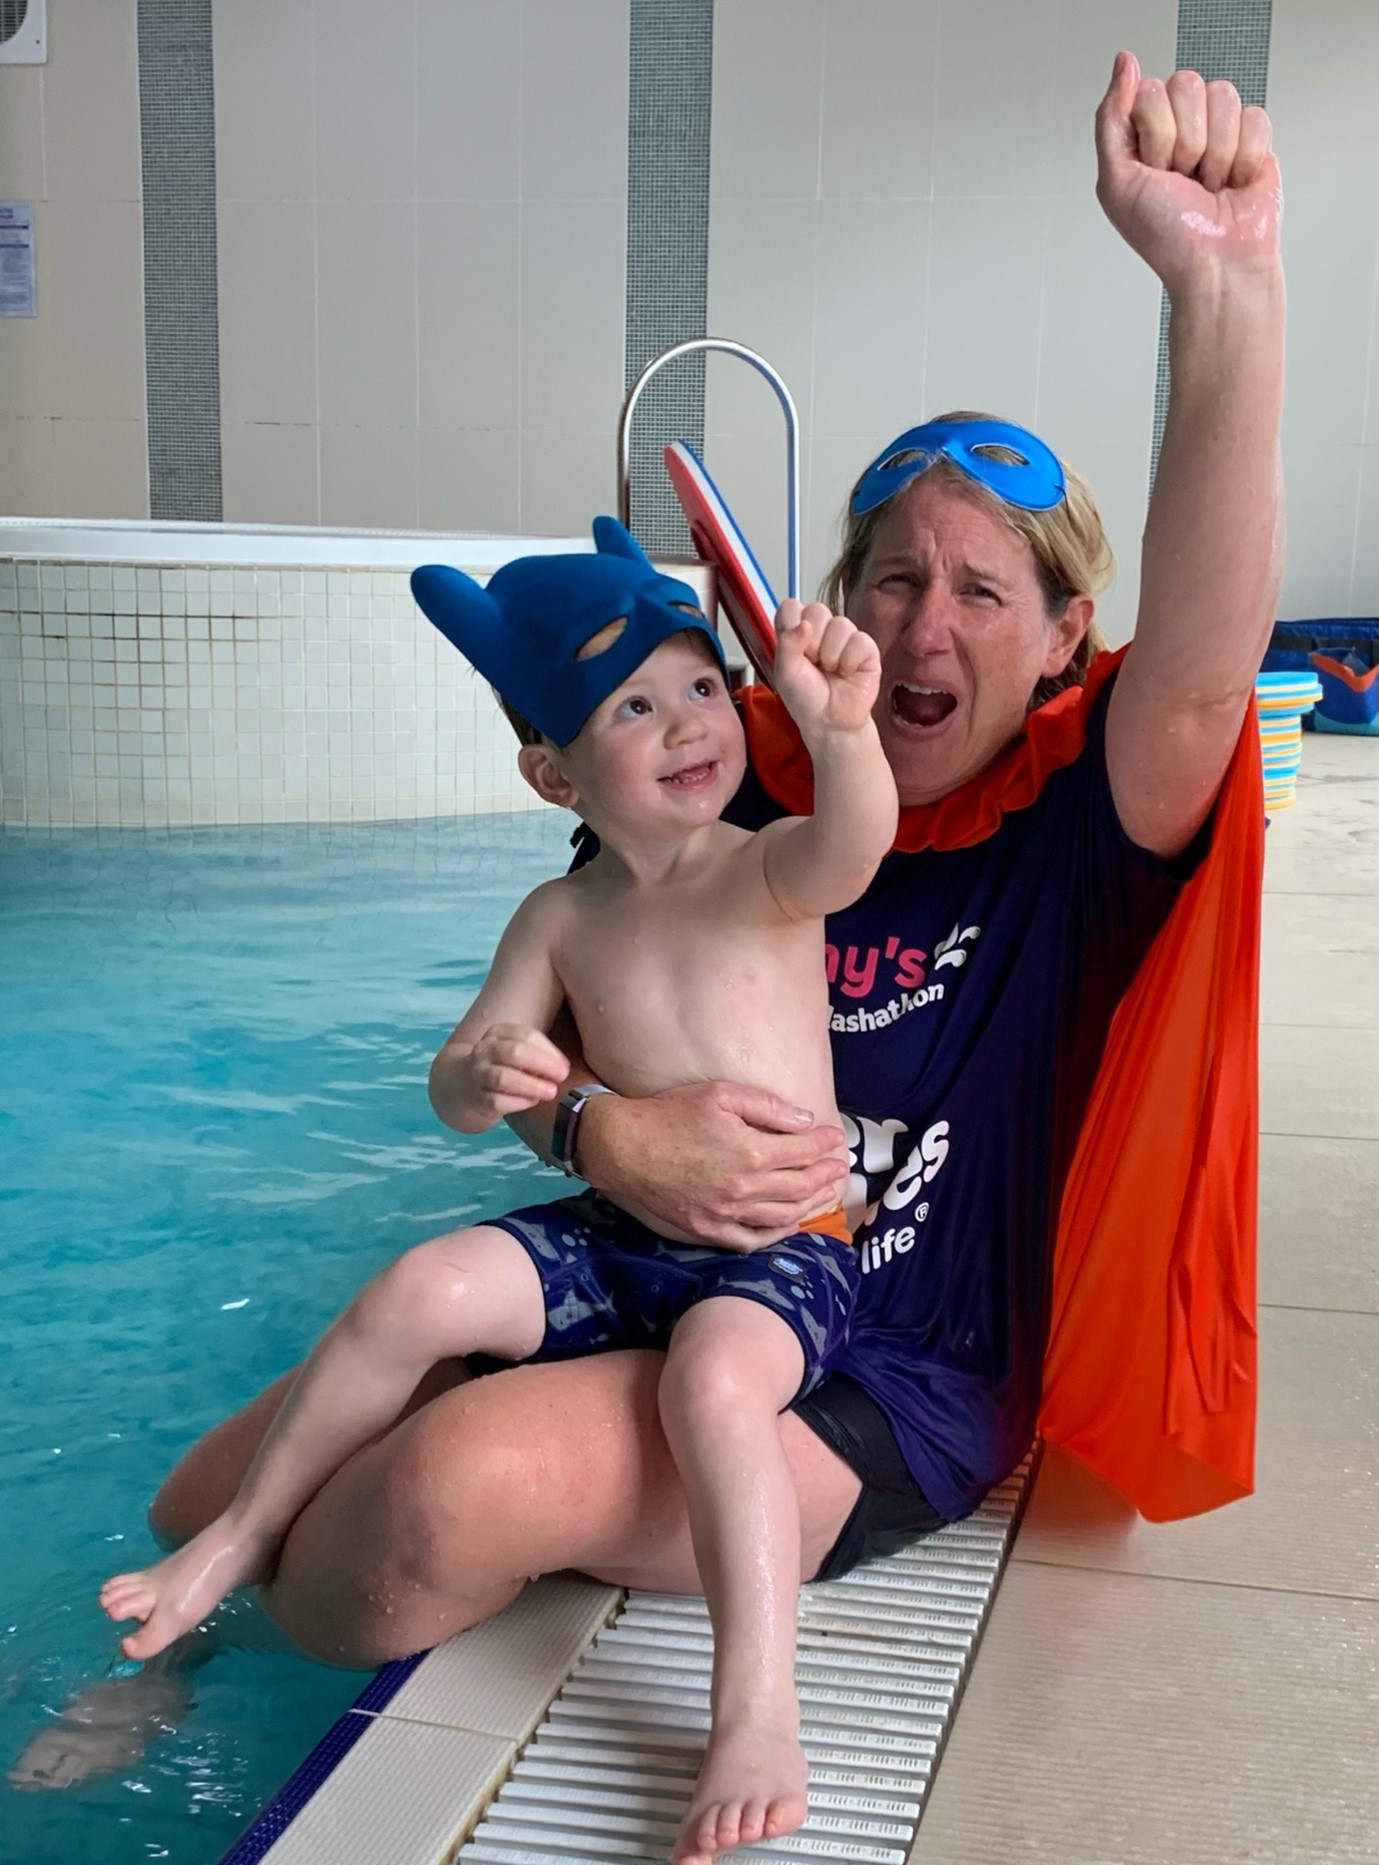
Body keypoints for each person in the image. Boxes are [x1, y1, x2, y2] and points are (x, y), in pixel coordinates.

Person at [141, 50, 1280, 1776]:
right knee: (205, 1478)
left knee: (440, 1492)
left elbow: (1202, 684)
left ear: (1062, 640)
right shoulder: (734, 782)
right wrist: (611, 1133)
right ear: (833, 609)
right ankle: (168, 1663)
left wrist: (1223, 285)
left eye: (984, 590)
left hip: (880, 1353)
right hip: (655, 1267)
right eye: (893, 577)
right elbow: (541, 1040)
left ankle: (258, 1652)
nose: (924, 628)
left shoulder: (1077, 821)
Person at [100, 518, 899, 1865]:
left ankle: (757, 1709)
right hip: (622, 1233)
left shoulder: (765, 869)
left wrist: (845, 729)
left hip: (783, 1249)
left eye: (699, 684)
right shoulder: (556, 919)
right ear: (551, 769)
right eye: (630, 706)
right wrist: (485, 1068)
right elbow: (462, 1089)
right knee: (421, 1290)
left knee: (712, 1390)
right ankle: (240, 1537)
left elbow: (861, 844)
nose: (686, 722)